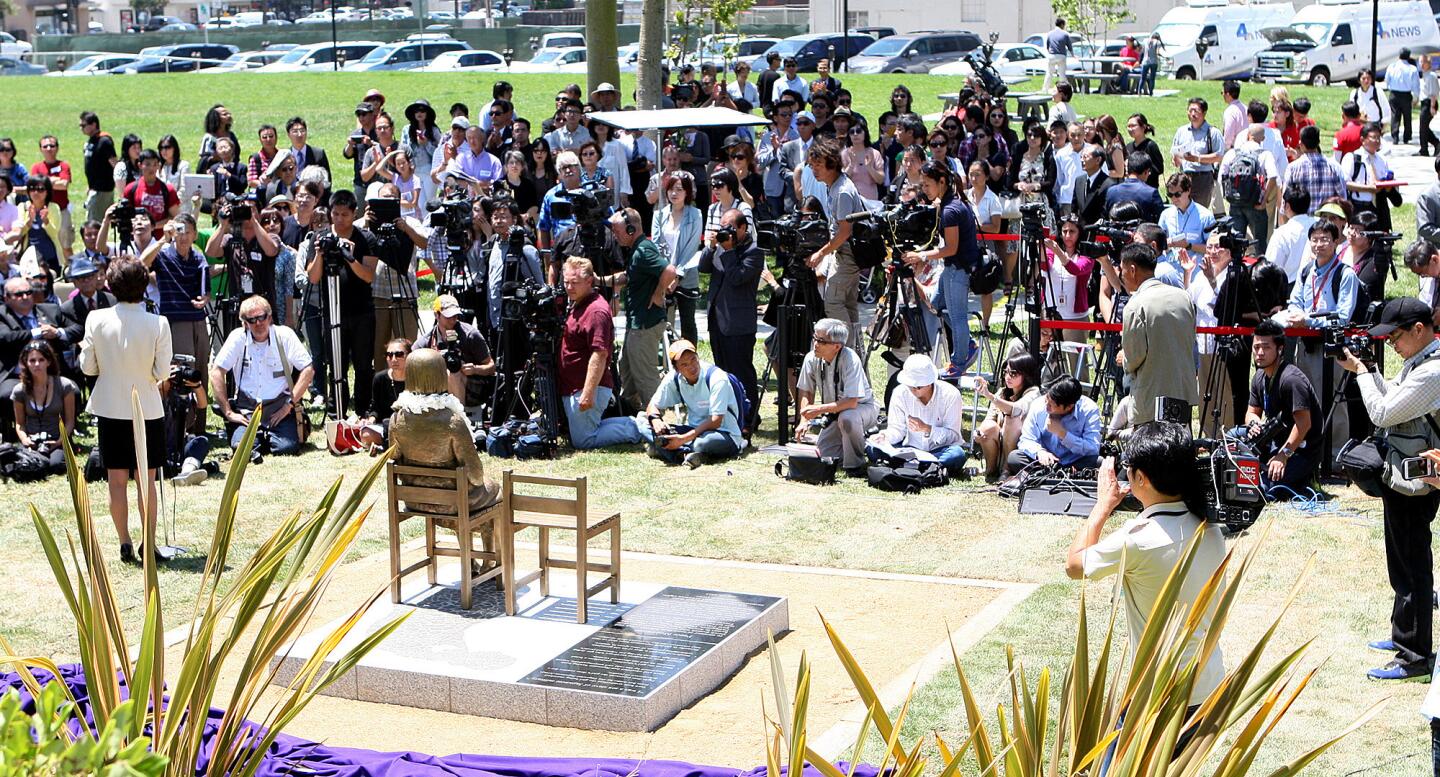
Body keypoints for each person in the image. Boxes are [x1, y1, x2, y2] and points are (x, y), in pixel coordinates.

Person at [1065, 421, 1227, 751]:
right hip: (1206, 688)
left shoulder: (1138, 541)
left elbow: (1074, 565)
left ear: (1141, 479)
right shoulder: (1211, 529)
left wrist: (1102, 506)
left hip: (1156, 696)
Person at [1336, 298, 1440, 680]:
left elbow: (1381, 413)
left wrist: (1363, 371)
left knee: (1412, 565)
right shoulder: (1419, 363)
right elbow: (1390, 398)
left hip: (1416, 480)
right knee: (1402, 561)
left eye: (1395, 337)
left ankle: (1413, 654)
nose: (1392, 344)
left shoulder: (1433, 372)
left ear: (1418, 330)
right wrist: (1369, 370)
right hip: (1405, 476)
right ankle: (1403, 636)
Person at [79, 259, 170, 564]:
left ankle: (124, 541)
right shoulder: (158, 323)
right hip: (146, 408)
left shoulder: (96, 318)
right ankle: (149, 542)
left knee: (116, 481)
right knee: (147, 480)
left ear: (111, 285)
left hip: (110, 406)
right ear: (144, 286)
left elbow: (87, 366)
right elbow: (161, 372)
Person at [390, 348, 500, 523]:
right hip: (453, 501)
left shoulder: (396, 419)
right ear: (441, 375)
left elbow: (393, 459)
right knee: (496, 490)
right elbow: (476, 476)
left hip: (414, 500)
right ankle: (493, 549)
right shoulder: (452, 420)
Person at [1274, 220, 1358, 448]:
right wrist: (1293, 315)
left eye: (1325, 239)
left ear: (1336, 242)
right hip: (1306, 344)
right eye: (1315, 239)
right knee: (1306, 400)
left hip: (1331, 347)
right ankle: (1312, 451)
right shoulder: (1305, 271)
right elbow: (1296, 302)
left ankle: (1337, 454)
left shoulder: (1345, 274)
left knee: (1333, 401)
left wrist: (1307, 319)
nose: (1319, 244)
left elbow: (1342, 317)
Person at [304, 190, 378, 416]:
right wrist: (319, 254)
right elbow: (313, 277)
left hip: (362, 312)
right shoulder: (320, 238)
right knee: (336, 365)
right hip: (332, 313)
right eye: (335, 214)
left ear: (354, 213)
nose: (339, 219)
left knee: (364, 365)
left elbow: (369, 276)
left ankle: (363, 409)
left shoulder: (366, 238)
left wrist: (349, 257)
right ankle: (337, 408)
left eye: (345, 215)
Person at [210, 296, 313, 459]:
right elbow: (216, 372)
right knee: (240, 448)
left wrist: (289, 406)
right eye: (252, 320)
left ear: (270, 317)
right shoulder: (238, 338)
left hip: (279, 408)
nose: (258, 323)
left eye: (261, 317)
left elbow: (308, 369)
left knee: (286, 448)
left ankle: (266, 439)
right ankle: (256, 439)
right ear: (244, 323)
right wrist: (228, 413)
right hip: (248, 410)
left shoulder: (284, 335)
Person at [557, 257, 643, 450]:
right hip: (573, 386)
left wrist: (588, 393)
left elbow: (599, 355)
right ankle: (634, 422)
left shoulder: (596, 311)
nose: (569, 287)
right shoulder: (578, 302)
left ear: (589, 281)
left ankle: (638, 428)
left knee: (583, 440)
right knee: (577, 434)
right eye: (566, 282)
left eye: (575, 283)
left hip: (587, 388)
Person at [1120, 244, 1200, 424]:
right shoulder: (1183, 297)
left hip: (1151, 396)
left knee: (1150, 448)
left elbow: (1134, 357)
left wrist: (1124, 358)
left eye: (1122, 269)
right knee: (1180, 445)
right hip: (1182, 392)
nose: (1121, 276)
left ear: (1132, 270)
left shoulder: (1135, 304)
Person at [698, 209, 764, 423]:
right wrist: (712, 246)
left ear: (743, 228)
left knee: (742, 373)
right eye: (723, 227)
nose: (727, 232)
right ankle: (728, 415)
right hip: (717, 320)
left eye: (731, 228)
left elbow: (737, 278)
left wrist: (727, 250)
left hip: (738, 324)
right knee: (722, 374)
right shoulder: (723, 246)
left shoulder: (754, 252)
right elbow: (703, 267)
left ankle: (750, 417)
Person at [639, 339, 745, 468]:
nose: (692, 366)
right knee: (644, 424)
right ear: (676, 368)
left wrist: (683, 439)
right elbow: (653, 405)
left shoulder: (717, 377)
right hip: (693, 430)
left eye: (693, 359)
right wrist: (656, 421)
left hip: (723, 433)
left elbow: (716, 421)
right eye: (684, 364)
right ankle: (686, 455)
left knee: (702, 443)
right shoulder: (673, 378)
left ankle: (672, 450)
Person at [1243, 319, 1320, 491]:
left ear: (1280, 349)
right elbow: (1251, 412)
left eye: (1266, 347)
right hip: (1275, 441)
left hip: (1300, 449)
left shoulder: (1291, 379)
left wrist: (1283, 456)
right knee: (1236, 435)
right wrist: (1254, 423)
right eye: (1256, 347)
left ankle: (1302, 477)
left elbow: (1304, 424)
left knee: (1264, 488)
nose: (1260, 353)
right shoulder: (1259, 376)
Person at [795, 318, 877, 478]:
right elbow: (806, 391)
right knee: (824, 456)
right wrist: (803, 420)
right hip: (834, 412)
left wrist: (818, 410)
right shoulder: (811, 358)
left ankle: (855, 465)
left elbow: (852, 401)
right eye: (814, 338)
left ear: (837, 346)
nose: (815, 344)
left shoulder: (850, 359)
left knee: (848, 418)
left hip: (862, 408)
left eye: (821, 341)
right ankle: (859, 444)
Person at [804, 140, 865, 350]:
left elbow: (844, 233)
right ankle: (856, 352)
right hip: (844, 254)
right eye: (812, 166)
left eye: (818, 165)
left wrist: (820, 254)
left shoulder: (842, 191)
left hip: (846, 255)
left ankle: (846, 352)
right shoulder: (835, 186)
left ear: (832, 163)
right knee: (848, 306)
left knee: (832, 302)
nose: (814, 170)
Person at [865, 354, 966, 474]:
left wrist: (927, 429)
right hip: (909, 449)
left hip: (939, 450)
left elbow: (953, 436)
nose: (913, 390)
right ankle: (925, 467)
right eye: (910, 386)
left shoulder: (950, 395)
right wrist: (884, 437)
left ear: (930, 383)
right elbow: (897, 429)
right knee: (873, 448)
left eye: (918, 387)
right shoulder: (900, 392)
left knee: (957, 455)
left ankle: (906, 466)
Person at [1006, 376, 1101, 474]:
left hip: (1075, 461)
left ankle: (1055, 475)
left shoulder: (1089, 409)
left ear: (1069, 406)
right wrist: (1039, 452)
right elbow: (1026, 440)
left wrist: (1063, 434)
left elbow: (1093, 448)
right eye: (1046, 400)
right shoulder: (1038, 405)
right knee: (1014, 458)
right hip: (1044, 462)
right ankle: (1052, 474)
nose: (1046, 406)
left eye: (1051, 405)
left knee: (1099, 462)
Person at [414, 293, 495, 408]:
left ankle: (458, 419)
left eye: (455, 316)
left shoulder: (470, 335)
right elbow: (410, 363)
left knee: (453, 373)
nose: (453, 320)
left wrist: (475, 369)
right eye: (448, 316)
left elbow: (491, 367)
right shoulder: (427, 340)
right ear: (436, 315)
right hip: (437, 387)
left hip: (473, 388)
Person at [10, 341, 76, 477]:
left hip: (57, 440)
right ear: (26, 363)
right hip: (33, 442)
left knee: (56, 465)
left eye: (41, 360)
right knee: (30, 466)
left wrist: (60, 441)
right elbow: (19, 423)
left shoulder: (64, 385)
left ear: (49, 362)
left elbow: (70, 422)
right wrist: (25, 440)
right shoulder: (19, 390)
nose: (36, 364)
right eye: (32, 360)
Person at [974, 353, 1043, 481]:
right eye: (1006, 372)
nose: (1007, 377)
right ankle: (991, 470)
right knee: (988, 427)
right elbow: (990, 419)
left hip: (1020, 449)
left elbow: (1015, 409)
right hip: (1000, 445)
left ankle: (1007, 470)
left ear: (1026, 374)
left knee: (1011, 420)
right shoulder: (1002, 391)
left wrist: (989, 395)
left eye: (1013, 373)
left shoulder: (1033, 393)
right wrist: (979, 433)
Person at [1170, 98, 1225, 207]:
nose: (1192, 114)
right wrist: (1175, 159)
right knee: (1182, 209)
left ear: (1204, 113)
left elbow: (1219, 156)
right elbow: (1175, 151)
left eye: (1196, 111)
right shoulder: (1182, 131)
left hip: (1202, 178)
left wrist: (1197, 158)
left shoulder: (1212, 132)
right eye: (1190, 110)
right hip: (1184, 176)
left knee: (1200, 210)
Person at [1282, 126, 1347, 214]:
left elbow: (1285, 199)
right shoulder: (1334, 167)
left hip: (1302, 221)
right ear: (1318, 143)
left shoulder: (1293, 168)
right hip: (1326, 222)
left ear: (1301, 144)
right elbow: (1342, 198)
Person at [1265, 184, 1315, 283]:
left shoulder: (1282, 233)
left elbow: (1271, 268)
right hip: (1317, 285)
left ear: (1287, 206)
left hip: (1289, 289)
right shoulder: (1319, 225)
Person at [80, 112, 117, 223]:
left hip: (102, 190)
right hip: (95, 188)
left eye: (84, 125)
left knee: (94, 223)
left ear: (94, 125)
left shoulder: (104, 141)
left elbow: (114, 163)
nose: (81, 128)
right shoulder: (91, 140)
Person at [1105, 153, 1164, 223]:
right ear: (1146, 172)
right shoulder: (1151, 193)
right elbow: (1161, 218)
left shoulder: (1111, 191)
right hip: (1142, 232)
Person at [1387, 49, 1420, 145]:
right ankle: (1407, 136)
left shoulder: (1392, 66)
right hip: (1406, 94)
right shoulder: (1412, 69)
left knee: (1395, 115)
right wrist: (1416, 97)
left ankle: (1395, 136)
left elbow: (1387, 80)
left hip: (1394, 93)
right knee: (1407, 116)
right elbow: (1416, 85)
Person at [1043, 18, 1073, 92]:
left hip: (1052, 55)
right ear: (1062, 24)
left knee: (1049, 73)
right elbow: (1069, 46)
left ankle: (1045, 89)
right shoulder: (1065, 34)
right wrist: (1073, 55)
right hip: (1061, 55)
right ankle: (1064, 89)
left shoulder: (1050, 33)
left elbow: (1047, 46)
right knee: (1062, 74)